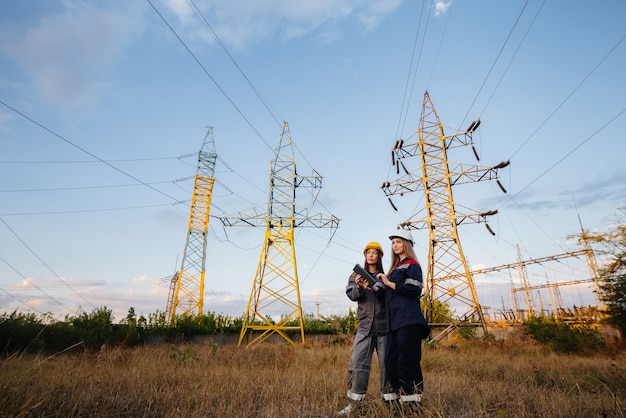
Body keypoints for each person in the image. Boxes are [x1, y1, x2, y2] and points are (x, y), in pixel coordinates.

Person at [376, 229, 429, 412]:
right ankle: (396, 405)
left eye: (398, 242)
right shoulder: (395, 268)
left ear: (406, 244)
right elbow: (389, 296)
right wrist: (375, 287)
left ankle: (413, 405)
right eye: (393, 243)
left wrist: (389, 282)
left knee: (407, 362)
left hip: (408, 321)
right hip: (394, 323)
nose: (395, 245)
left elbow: (414, 290)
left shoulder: (412, 265)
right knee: (392, 362)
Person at [338, 242, 387, 416]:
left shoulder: (384, 275)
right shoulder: (356, 274)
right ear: (365, 255)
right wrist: (359, 286)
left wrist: (372, 285)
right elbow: (351, 294)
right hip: (365, 327)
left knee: (387, 366)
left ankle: (388, 404)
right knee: (357, 364)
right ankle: (354, 404)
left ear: (380, 256)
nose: (371, 255)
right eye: (369, 253)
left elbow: (385, 295)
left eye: (375, 253)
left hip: (384, 328)